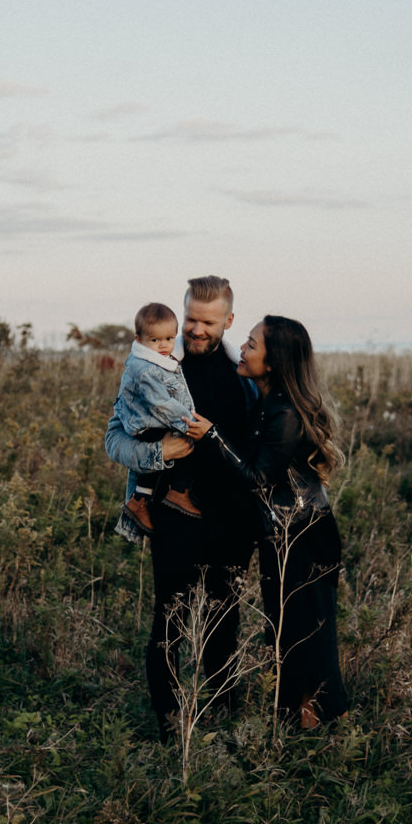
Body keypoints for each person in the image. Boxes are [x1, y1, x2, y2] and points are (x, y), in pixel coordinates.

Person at [102, 275, 259, 740]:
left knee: (223, 619)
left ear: (227, 321)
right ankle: (171, 726)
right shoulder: (155, 370)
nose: (196, 329)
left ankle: (222, 716)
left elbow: (258, 455)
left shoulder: (247, 379)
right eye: (191, 318)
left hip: (232, 521)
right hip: (174, 514)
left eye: (208, 322)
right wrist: (158, 455)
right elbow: (114, 438)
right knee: (169, 618)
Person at [207, 315, 350, 728]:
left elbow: (256, 477)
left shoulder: (284, 412)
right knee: (286, 631)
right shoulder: (267, 398)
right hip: (283, 533)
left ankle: (323, 721)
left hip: (303, 534)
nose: (243, 348)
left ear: (272, 363)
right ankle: (299, 720)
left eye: (251, 344)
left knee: (307, 634)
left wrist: (211, 436)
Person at [109, 301, 204, 539]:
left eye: (169, 338)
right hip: (147, 425)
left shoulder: (166, 358)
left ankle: (147, 498)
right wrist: (188, 424)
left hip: (150, 423)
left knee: (174, 455)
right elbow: (161, 404)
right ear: (139, 339)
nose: (163, 345)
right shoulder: (146, 369)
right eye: (155, 340)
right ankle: (171, 493)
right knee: (180, 450)